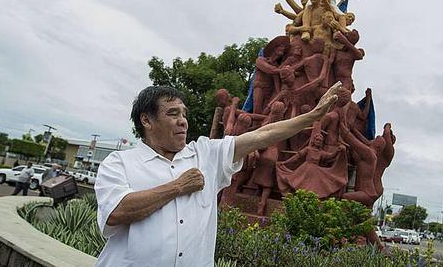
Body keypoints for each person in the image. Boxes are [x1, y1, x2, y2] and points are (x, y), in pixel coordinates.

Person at [95, 83, 342, 266]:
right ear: (146, 121)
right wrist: (177, 187)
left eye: (184, 114)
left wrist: (312, 116)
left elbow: (262, 135)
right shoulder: (119, 163)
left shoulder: (206, 154)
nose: (183, 121)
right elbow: (117, 212)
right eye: (172, 114)